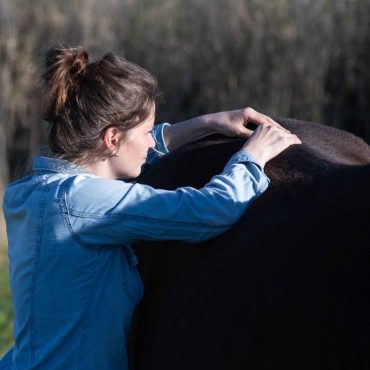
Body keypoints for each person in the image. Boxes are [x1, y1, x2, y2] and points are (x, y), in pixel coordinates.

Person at [0, 45, 301, 370]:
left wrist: (207, 123)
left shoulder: (31, 192)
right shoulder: (83, 204)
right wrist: (252, 157)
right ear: (112, 139)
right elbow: (210, 210)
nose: (151, 142)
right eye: (146, 133)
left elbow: (132, 153)